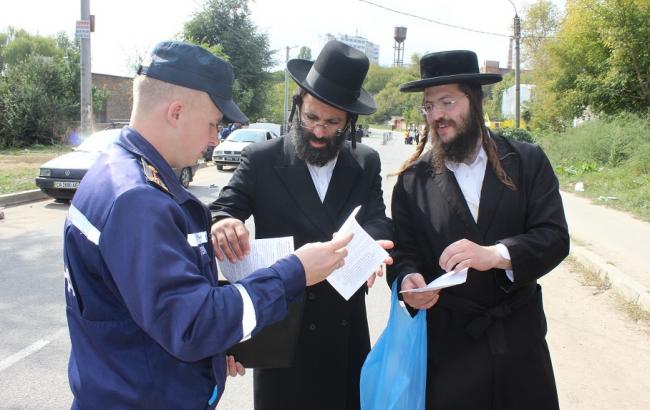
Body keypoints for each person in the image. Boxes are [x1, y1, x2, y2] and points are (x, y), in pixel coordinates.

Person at [63, 41, 353, 410]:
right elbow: (192, 325)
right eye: (214, 123)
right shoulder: (138, 199)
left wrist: (220, 343)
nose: (215, 138)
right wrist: (294, 271)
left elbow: (162, 302)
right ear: (177, 112)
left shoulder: (115, 169)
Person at [209, 40, 393, 410]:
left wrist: (375, 245)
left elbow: (376, 216)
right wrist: (224, 222)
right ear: (297, 106)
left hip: (344, 326)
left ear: (349, 122)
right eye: (311, 118)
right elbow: (224, 207)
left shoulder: (365, 161)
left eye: (332, 123)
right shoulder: (261, 159)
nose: (320, 132)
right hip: (282, 326)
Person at [387, 50, 569, 410]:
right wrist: (407, 281)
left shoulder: (527, 161)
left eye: (447, 101)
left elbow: (554, 237)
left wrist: (496, 255)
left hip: (520, 342)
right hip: (451, 351)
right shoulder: (412, 182)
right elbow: (403, 253)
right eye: (428, 106)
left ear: (475, 100)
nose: (437, 114)